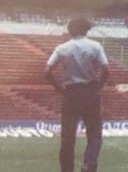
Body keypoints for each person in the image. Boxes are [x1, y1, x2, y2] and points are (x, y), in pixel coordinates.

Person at [45, 18, 110, 172]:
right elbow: (106, 70)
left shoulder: (62, 48)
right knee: (94, 134)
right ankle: (88, 165)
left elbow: (46, 71)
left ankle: (67, 169)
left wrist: (60, 88)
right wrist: (98, 87)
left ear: (70, 30)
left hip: (71, 93)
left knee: (67, 137)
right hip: (90, 91)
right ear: (86, 30)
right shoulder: (95, 46)